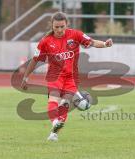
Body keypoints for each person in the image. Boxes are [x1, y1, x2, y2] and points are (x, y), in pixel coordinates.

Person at [21, 12, 113, 141]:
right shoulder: (46, 41)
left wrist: (104, 44)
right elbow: (35, 60)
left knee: (65, 103)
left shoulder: (75, 35)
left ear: (67, 25)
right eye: (56, 27)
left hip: (71, 76)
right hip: (54, 76)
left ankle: (54, 134)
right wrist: (25, 77)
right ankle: (55, 124)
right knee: (54, 99)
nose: (59, 30)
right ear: (52, 26)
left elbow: (91, 42)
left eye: (62, 27)